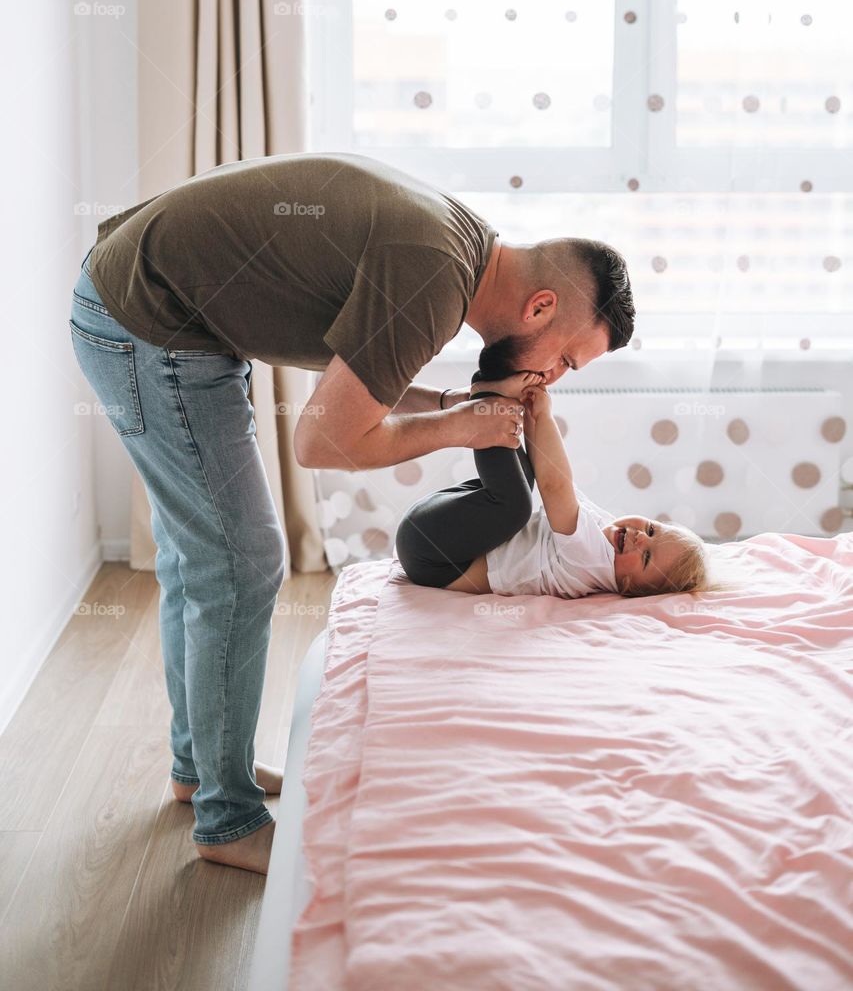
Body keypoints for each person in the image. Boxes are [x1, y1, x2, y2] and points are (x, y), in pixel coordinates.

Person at [69, 151, 635, 874]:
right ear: (541, 307)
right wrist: (460, 429)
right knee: (241, 564)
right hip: (146, 323)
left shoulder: (459, 251)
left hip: (158, 309)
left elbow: (360, 373)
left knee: (201, 556)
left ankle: (201, 772)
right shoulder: (433, 277)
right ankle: (227, 819)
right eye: (566, 361)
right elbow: (322, 440)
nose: (551, 378)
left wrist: (445, 406)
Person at [396, 368, 712, 600]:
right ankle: (496, 403)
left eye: (646, 557)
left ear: (628, 587)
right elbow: (547, 470)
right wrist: (531, 412)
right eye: (653, 530)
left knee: (514, 508)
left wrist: (544, 415)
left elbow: (556, 486)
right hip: (433, 536)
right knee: (523, 482)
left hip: (435, 557)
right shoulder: (603, 533)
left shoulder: (592, 561)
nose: (640, 537)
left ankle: (486, 401)